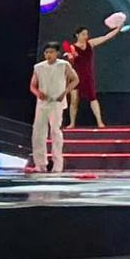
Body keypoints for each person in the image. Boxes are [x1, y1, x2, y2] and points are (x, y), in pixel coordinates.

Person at [64, 21, 124, 129]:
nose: (86, 36)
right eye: (83, 34)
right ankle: (72, 123)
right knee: (74, 101)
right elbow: (71, 61)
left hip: (88, 76)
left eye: (86, 34)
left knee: (93, 98)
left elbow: (106, 37)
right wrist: (71, 56)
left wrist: (118, 29)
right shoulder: (72, 47)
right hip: (76, 77)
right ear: (77, 35)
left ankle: (100, 122)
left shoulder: (90, 43)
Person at [29, 42, 75, 173]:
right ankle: (40, 164)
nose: (48, 55)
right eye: (46, 52)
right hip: (42, 103)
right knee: (38, 133)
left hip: (56, 102)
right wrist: (38, 93)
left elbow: (75, 79)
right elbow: (32, 85)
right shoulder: (39, 67)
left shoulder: (63, 65)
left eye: (51, 52)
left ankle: (57, 164)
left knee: (55, 132)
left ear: (57, 53)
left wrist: (64, 93)